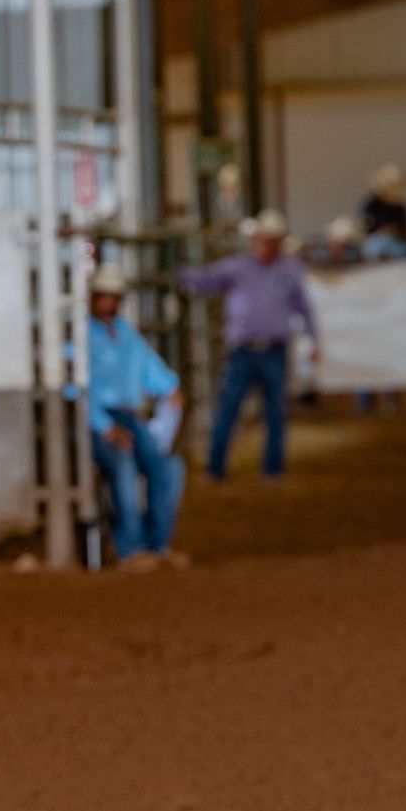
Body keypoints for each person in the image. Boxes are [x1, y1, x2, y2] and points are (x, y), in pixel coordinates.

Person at [180, 210, 319, 482]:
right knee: (229, 408)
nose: (266, 244)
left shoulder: (289, 271)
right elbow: (205, 280)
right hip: (243, 349)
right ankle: (216, 468)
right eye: (263, 238)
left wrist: (314, 338)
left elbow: (304, 308)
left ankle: (272, 469)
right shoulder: (237, 267)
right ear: (255, 240)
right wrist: (182, 274)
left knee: (274, 412)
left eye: (271, 239)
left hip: (274, 348)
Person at [85, 265, 185, 571]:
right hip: (97, 422)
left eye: (114, 297)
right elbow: (76, 391)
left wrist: (171, 389)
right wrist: (105, 427)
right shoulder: (81, 336)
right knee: (125, 462)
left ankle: (158, 545)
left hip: (129, 417)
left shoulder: (126, 334)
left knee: (169, 468)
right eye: (104, 297)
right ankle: (131, 548)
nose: (109, 303)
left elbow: (153, 371)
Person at [362, 163, 406, 255]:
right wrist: (383, 231)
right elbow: (366, 227)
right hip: (377, 241)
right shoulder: (371, 205)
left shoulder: (399, 206)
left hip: (397, 242)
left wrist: (396, 232)